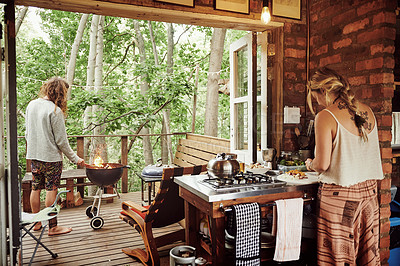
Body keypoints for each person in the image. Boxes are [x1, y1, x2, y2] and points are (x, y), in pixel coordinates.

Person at [305, 67, 384, 265]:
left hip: (339, 200)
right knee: (367, 258)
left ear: (323, 91)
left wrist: (310, 164)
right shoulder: (368, 111)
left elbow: (322, 164)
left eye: (316, 98)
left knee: (337, 259)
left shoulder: (325, 116)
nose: (317, 103)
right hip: (369, 197)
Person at [25, 77, 85, 236]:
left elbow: (27, 133)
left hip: (35, 157)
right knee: (52, 189)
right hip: (51, 159)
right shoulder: (54, 111)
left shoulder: (31, 105)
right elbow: (62, 142)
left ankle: (37, 223)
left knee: (35, 187)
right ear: (60, 93)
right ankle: (53, 227)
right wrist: (76, 159)